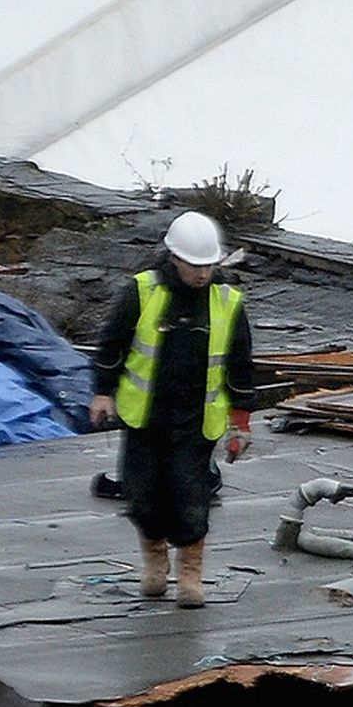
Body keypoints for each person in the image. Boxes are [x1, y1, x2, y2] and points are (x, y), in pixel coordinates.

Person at [87, 210, 256, 609]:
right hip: (145, 418)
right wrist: (103, 392)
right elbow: (112, 344)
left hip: (196, 423)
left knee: (189, 499)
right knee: (142, 497)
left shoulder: (227, 302)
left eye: (209, 265)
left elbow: (241, 365)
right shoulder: (142, 292)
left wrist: (240, 422)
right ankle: (155, 562)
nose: (202, 274)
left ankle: (190, 573)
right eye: (194, 266)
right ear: (174, 259)